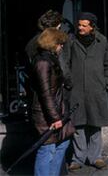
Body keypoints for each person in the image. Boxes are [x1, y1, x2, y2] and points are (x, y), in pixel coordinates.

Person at [67, 12, 108, 171]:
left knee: (96, 125)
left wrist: (106, 83)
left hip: (96, 91)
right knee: (78, 126)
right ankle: (78, 158)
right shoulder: (71, 41)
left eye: (83, 25)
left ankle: (95, 157)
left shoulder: (102, 41)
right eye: (79, 25)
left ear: (92, 27)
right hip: (77, 91)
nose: (80, 28)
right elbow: (64, 63)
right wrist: (68, 83)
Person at [31, 28, 72, 176]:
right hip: (47, 112)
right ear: (53, 43)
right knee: (47, 148)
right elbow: (45, 93)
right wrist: (54, 118)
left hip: (56, 108)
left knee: (63, 142)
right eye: (60, 43)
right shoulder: (43, 63)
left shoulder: (49, 59)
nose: (61, 47)